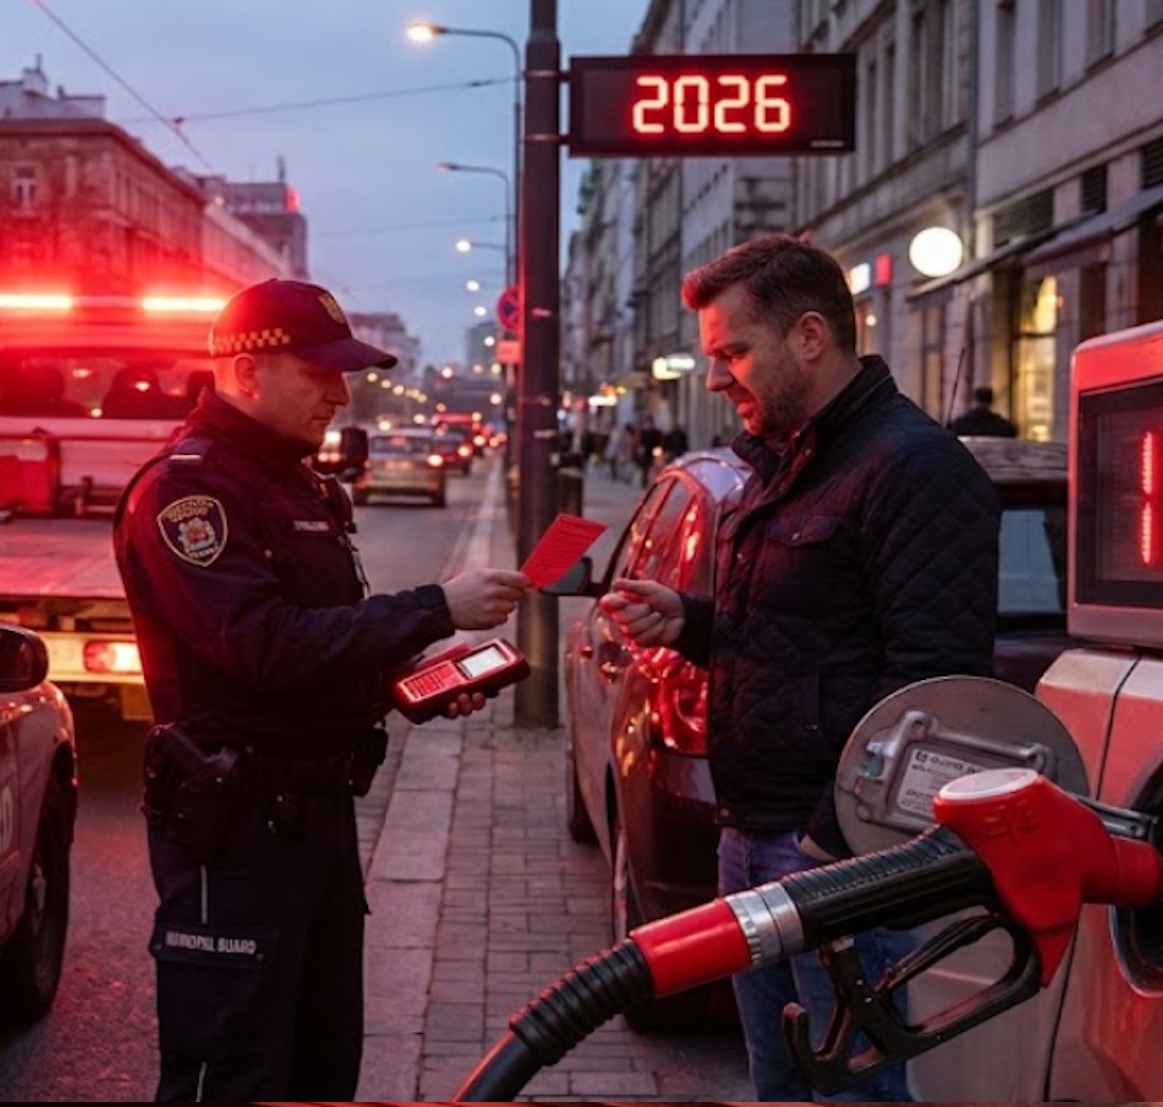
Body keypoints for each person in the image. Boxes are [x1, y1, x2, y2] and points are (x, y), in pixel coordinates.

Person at [599, 235, 999, 1102]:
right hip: (754, 838)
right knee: (782, 1083)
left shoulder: (911, 467)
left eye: (733, 352)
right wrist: (693, 623)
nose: (715, 380)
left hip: (834, 858)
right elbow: (805, 634)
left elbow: (933, 689)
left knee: (853, 1089)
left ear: (810, 336)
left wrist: (827, 838)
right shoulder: (789, 462)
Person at [112, 278, 528, 1101]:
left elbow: (318, 645)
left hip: (317, 820)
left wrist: (401, 681)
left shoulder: (295, 482)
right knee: (230, 1072)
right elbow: (260, 646)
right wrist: (434, 607)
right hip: (235, 833)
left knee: (320, 1063)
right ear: (245, 371)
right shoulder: (188, 491)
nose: (342, 393)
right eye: (320, 374)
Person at [947, 385, 1018, 437]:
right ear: (991, 402)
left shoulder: (961, 424)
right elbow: (1012, 432)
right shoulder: (1002, 426)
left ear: (974, 400)